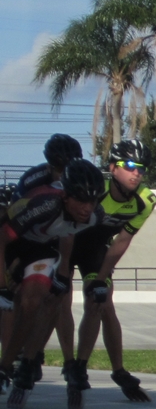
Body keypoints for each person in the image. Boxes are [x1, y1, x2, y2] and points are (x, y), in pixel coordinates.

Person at [60, 139, 156, 404]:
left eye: (142, 168)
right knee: (60, 300)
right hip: (68, 244)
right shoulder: (95, 189)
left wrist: (102, 277)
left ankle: (88, 366)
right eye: (130, 166)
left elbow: (122, 241)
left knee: (101, 302)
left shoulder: (145, 200)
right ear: (113, 168)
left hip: (96, 251)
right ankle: (68, 362)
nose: (136, 172)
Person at [0, 159, 105, 408]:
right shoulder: (44, 204)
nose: (87, 208)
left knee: (35, 301)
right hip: (12, 244)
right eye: (81, 200)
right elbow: (2, 240)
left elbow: (68, 234)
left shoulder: (94, 215)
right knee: (13, 304)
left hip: (42, 248)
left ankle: (20, 364)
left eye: (92, 201)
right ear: (65, 195)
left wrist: (63, 274)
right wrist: (3, 284)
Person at [15, 134, 84, 376]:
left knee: (61, 299)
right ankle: (21, 351)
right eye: (59, 168)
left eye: (68, 167)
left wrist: (65, 266)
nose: (63, 174)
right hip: (31, 236)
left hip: (63, 236)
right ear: (49, 165)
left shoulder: (80, 179)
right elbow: (17, 217)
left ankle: (67, 361)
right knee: (25, 297)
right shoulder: (33, 180)